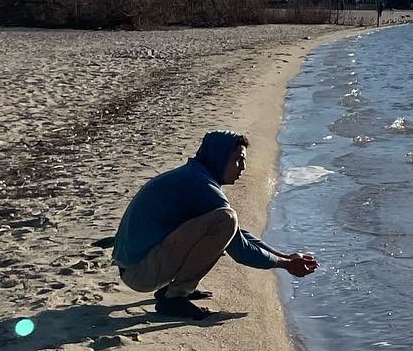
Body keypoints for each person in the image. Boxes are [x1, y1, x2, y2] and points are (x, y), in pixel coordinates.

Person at [113, 130, 318, 320]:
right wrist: (285, 265)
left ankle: (175, 290)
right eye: (238, 160)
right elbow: (240, 250)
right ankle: (174, 298)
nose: (243, 168)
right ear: (220, 157)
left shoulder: (196, 176)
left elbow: (237, 235)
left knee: (224, 225)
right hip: (139, 272)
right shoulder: (200, 184)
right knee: (225, 220)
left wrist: (286, 257)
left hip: (139, 265)